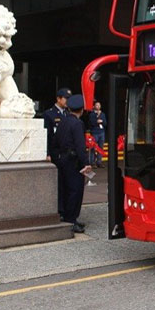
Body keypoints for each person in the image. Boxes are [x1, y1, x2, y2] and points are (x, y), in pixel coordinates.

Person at [53, 94, 92, 233]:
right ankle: (71, 219)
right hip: (74, 161)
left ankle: (66, 215)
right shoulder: (78, 123)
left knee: (65, 188)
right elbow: (80, 146)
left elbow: (55, 142)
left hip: (62, 159)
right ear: (82, 110)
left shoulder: (62, 121)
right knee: (75, 190)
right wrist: (86, 163)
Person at [44, 87, 71, 215]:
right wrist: (47, 152)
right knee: (58, 183)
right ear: (58, 99)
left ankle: (66, 208)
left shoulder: (68, 113)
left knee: (67, 182)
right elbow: (47, 135)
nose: (67, 101)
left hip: (67, 154)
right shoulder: (49, 114)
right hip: (56, 153)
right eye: (66, 98)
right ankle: (59, 209)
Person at [88, 100, 106, 167]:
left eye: (99, 105)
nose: (98, 106)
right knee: (93, 147)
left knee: (100, 147)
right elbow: (91, 123)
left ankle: (99, 162)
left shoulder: (103, 114)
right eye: (97, 105)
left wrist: (102, 121)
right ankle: (92, 162)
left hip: (101, 132)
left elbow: (105, 123)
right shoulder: (92, 114)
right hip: (94, 132)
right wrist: (96, 121)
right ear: (94, 106)